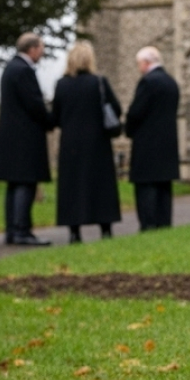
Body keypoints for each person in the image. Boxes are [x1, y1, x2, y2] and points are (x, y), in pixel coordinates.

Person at [51, 41, 122, 243]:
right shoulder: (99, 82)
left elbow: (55, 116)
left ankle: (74, 232)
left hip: (71, 143)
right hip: (97, 142)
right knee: (101, 185)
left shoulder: (62, 85)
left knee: (72, 186)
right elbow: (115, 109)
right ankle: (106, 229)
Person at [0, 33, 54, 246]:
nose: (42, 53)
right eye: (41, 48)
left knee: (14, 185)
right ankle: (21, 231)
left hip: (11, 138)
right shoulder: (24, 70)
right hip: (25, 139)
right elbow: (34, 104)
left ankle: (12, 230)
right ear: (33, 48)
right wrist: (50, 120)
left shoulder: (11, 68)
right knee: (26, 184)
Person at [124, 46, 179, 231]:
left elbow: (136, 112)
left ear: (147, 63)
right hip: (168, 143)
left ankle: (148, 224)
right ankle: (164, 223)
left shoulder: (148, 82)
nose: (139, 68)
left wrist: (129, 130)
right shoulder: (171, 83)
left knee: (146, 187)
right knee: (164, 187)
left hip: (147, 143)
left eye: (139, 64)